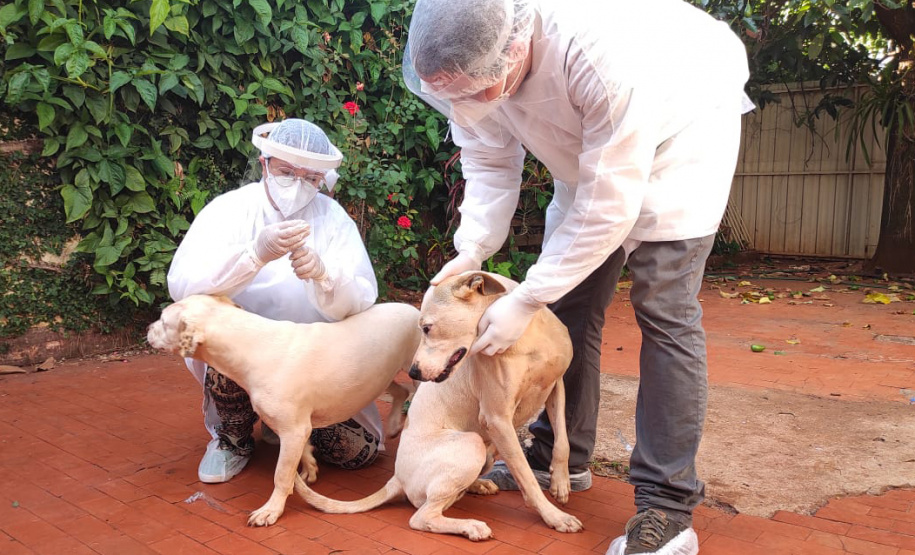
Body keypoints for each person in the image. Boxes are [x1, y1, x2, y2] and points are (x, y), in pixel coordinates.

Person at [403, 0, 753, 554]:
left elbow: (608, 207)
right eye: (454, 95)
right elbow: (491, 162)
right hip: (593, 157)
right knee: (571, 310)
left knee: (665, 310)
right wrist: (472, 247)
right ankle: (560, 457)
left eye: (473, 91)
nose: (464, 106)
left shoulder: (600, 57)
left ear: (515, 51)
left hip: (680, 141)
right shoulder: (470, 62)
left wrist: (525, 299)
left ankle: (666, 506)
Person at [167, 118, 383, 484]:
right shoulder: (231, 210)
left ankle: (284, 421)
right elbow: (184, 286)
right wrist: (253, 255)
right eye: (287, 171)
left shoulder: (333, 219)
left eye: (310, 177)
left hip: (312, 359)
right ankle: (232, 439)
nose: (298, 184)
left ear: (322, 180)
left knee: (357, 454)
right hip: (243, 355)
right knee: (202, 327)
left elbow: (362, 297)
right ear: (265, 164)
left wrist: (324, 274)